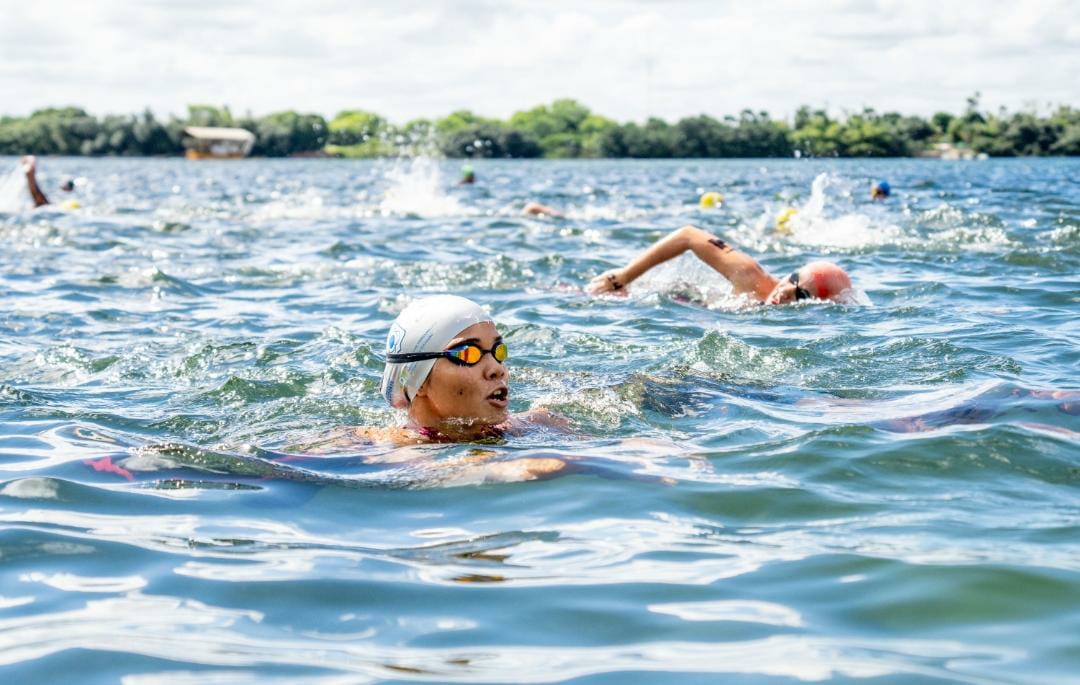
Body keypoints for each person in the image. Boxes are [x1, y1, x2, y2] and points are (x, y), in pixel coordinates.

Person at [587, 224, 855, 305]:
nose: (785, 291)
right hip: (662, 298)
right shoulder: (751, 276)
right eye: (793, 279)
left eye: (802, 295)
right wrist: (624, 276)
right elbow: (687, 235)